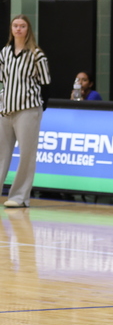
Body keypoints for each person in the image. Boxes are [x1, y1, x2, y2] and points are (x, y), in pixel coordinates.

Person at [0, 15, 51, 208]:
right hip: (5, 109)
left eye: (22, 26)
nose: (18, 29)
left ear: (28, 29)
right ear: (11, 29)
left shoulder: (37, 54)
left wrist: (40, 108)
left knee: (26, 155)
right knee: (1, 154)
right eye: (15, 26)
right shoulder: (4, 52)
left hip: (28, 109)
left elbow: (46, 84)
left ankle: (19, 196)